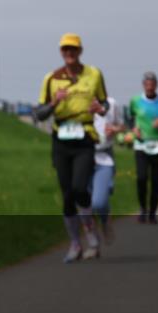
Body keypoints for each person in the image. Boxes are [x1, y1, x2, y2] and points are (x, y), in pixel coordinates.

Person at [34, 33, 109, 263]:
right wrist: (54, 102)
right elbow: (39, 114)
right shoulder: (51, 78)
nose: (69, 53)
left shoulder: (94, 74)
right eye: (65, 49)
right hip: (61, 139)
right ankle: (75, 243)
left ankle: (90, 232)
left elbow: (104, 102)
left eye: (73, 49)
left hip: (84, 137)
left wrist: (101, 109)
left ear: (80, 51)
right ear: (61, 52)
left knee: (79, 188)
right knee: (67, 195)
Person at [129, 72, 158, 224]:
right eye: (147, 84)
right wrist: (133, 128)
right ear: (143, 85)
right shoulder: (135, 100)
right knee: (142, 177)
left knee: (157, 180)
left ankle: (153, 213)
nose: (149, 87)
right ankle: (143, 209)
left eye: (152, 84)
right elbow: (129, 117)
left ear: (156, 85)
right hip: (141, 145)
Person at [90, 96, 124, 252]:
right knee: (84, 202)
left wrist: (115, 129)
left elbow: (122, 126)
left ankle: (105, 220)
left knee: (99, 202)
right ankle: (93, 244)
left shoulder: (111, 103)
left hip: (104, 156)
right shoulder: (76, 102)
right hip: (80, 156)